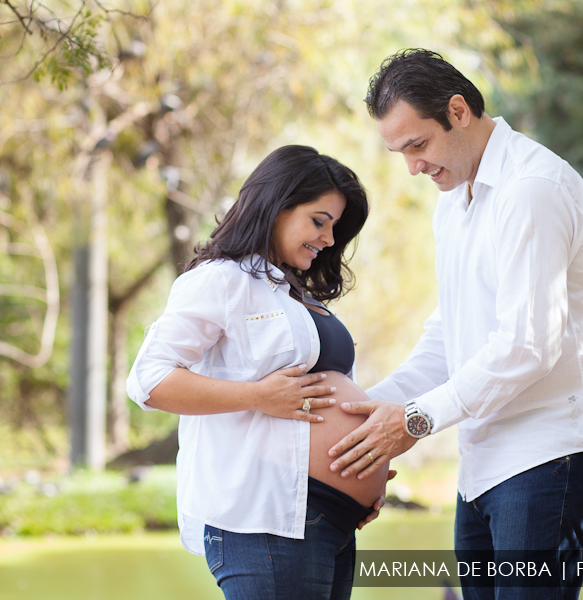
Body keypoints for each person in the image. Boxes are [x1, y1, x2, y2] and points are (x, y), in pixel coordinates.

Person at [326, 49, 583, 599]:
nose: (412, 167)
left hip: (550, 452)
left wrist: (414, 421)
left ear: (458, 111)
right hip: (484, 460)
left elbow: (527, 345)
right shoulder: (454, 201)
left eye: (417, 146)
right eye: (400, 153)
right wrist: (366, 412)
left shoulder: (531, 190)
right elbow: (449, 337)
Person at [126, 145, 391, 599]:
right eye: (319, 220)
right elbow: (148, 380)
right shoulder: (221, 280)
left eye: (335, 227)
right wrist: (256, 396)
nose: (329, 239)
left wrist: (366, 465)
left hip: (330, 518)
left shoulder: (292, 293)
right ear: (276, 204)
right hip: (264, 523)